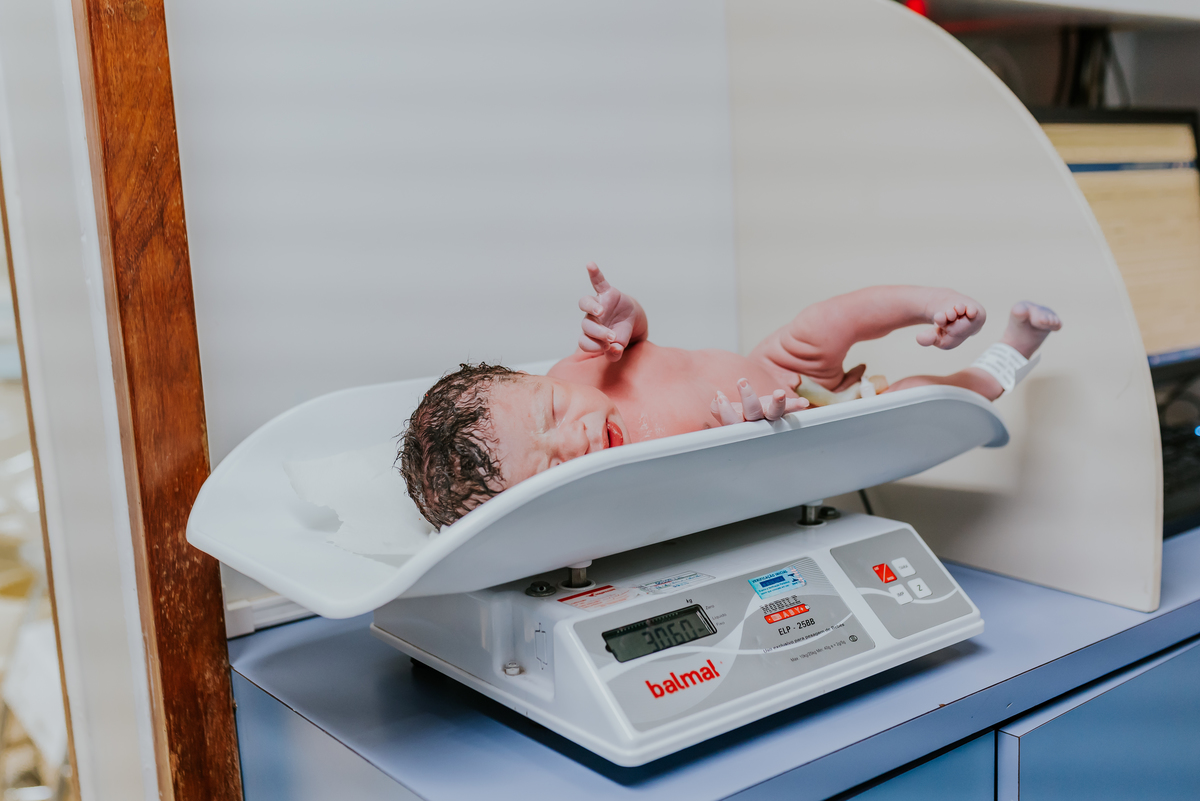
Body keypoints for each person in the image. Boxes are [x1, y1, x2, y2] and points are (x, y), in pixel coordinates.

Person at [400, 264, 1061, 527]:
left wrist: (627, 313)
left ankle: (938, 306)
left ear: (536, 380)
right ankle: (1004, 359)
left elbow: (636, 337)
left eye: (549, 413)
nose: (570, 437)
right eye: (548, 467)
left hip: (772, 363)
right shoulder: (608, 488)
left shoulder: (576, 369)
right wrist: (743, 435)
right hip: (800, 422)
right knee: (919, 395)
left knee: (828, 319)